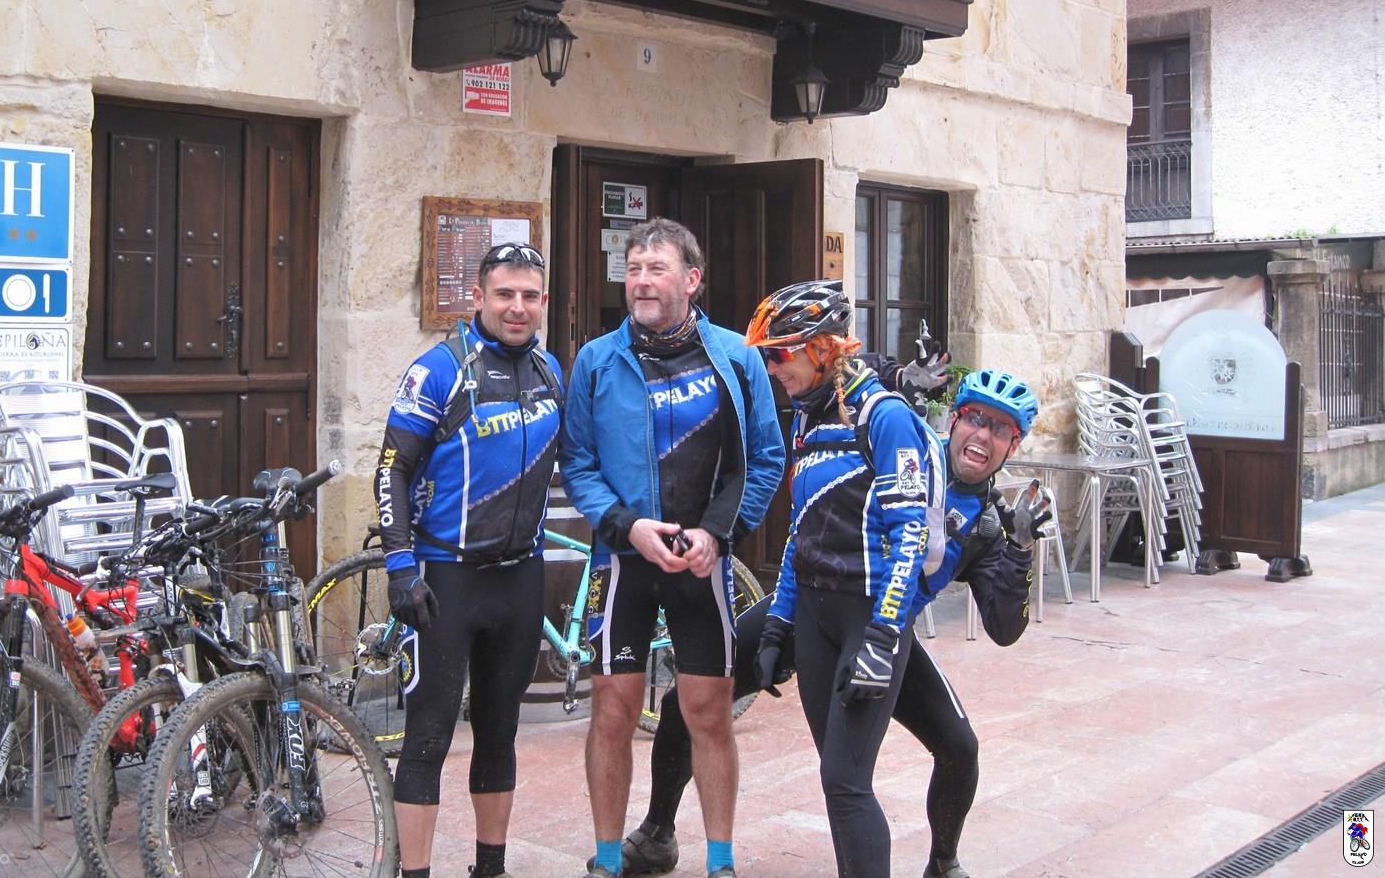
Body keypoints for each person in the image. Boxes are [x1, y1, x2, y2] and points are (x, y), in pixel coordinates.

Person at [624, 281, 1043, 878]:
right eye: (974, 418)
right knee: (689, 698)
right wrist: (778, 626)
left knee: (947, 752)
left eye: (999, 430)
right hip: (812, 605)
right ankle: (658, 832)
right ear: (953, 419)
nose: (981, 435)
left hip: (876, 620)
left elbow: (1000, 623)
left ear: (1013, 444)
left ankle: (943, 861)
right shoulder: (832, 413)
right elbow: (811, 509)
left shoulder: (983, 523)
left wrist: (1019, 550)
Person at [561, 218, 786, 878]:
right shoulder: (597, 361)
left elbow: (765, 458)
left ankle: (721, 862)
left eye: (655, 268)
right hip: (623, 559)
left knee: (708, 714)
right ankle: (608, 859)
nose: (640, 281)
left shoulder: (736, 358)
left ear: (692, 280)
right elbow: (578, 462)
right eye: (632, 269)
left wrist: (718, 533)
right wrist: (626, 525)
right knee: (612, 711)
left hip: (700, 562)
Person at [374, 242, 566, 878]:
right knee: (428, 735)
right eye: (504, 294)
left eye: (530, 296)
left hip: (520, 575)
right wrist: (400, 567)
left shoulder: (549, 371)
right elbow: (392, 470)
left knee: (499, 729)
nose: (517, 307)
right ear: (478, 297)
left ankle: (491, 867)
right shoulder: (438, 371)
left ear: (543, 301)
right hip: (445, 577)